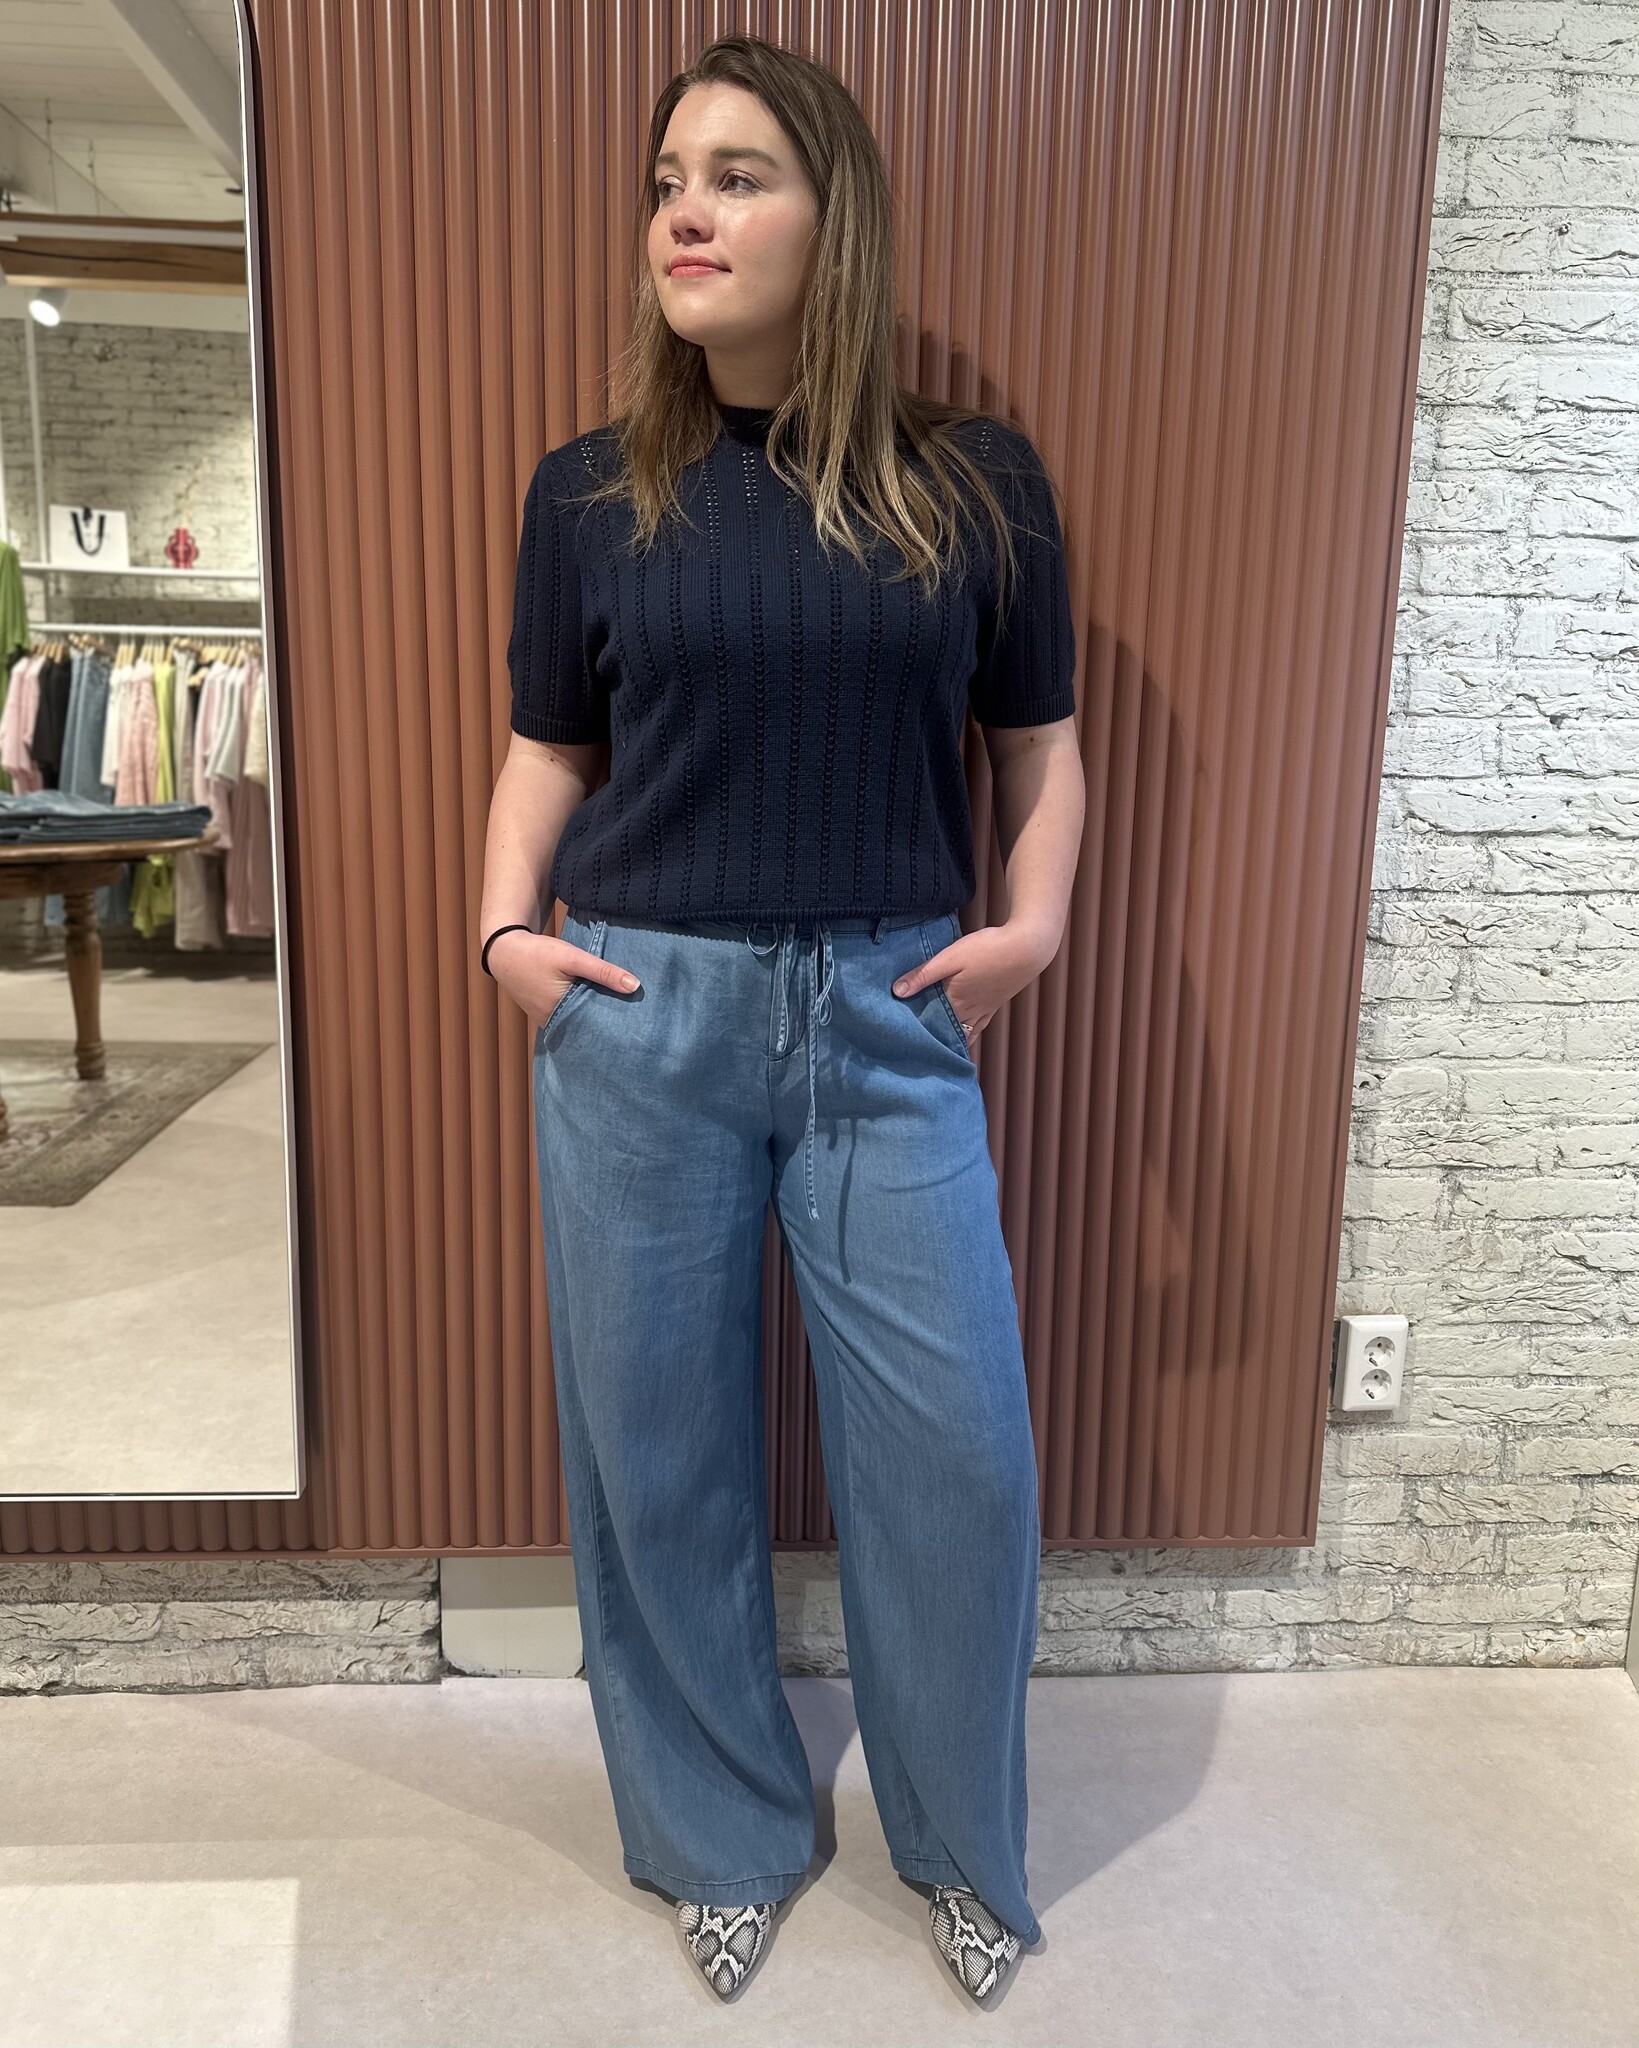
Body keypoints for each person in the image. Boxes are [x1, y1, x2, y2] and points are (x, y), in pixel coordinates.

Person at [479, 32, 1084, 2010]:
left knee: (956, 1460)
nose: (687, 211)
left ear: (839, 219)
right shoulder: (590, 496)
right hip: (639, 1013)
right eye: (670, 178)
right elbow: (547, 748)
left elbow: (1041, 748)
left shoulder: (973, 484)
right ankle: (718, 1832)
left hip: (890, 1023)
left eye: (738, 175)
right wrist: (502, 930)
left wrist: (1032, 923)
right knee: (655, 1452)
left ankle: (961, 1843)